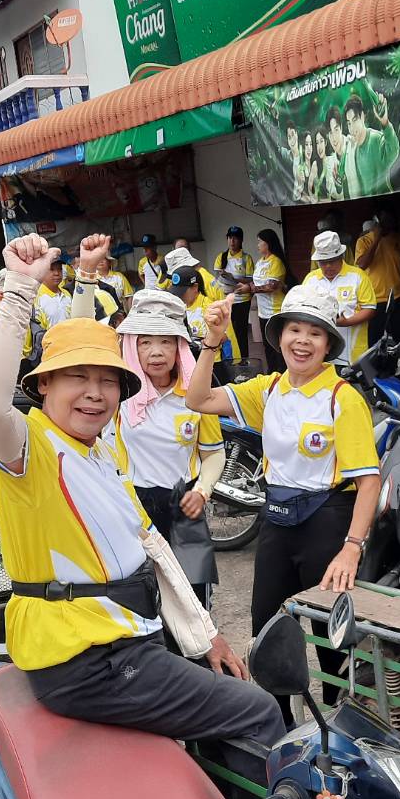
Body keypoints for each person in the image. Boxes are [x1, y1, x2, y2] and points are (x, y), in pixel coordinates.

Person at [0, 232, 283, 746]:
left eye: (107, 381)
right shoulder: (30, 447)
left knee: (215, 691)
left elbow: (151, 547)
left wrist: (206, 636)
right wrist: (23, 291)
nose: (94, 393)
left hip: (136, 615)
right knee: (260, 711)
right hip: (87, 653)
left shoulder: (104, 449)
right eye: (77, 379)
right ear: (43, 385)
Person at [186, 286, 381, 714]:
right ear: (281, 336)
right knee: (269, 628)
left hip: (327, 520)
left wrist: (351, 548)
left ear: (329, 343)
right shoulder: (269, 389)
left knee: (333, 631)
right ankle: (279, 720)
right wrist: (212, 341)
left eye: (315, 333)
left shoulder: (341, 398)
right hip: (277, 519)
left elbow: (369, 481)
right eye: (294, 329)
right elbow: (197, 399)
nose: (302, 341)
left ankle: (340, 715)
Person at [112, 289, 225, 604]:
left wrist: (202, 491)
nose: (156, 352)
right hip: (135, 507)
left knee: (193, 601)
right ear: (133, 347)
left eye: (166, 341)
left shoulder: (198, 395)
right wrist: (87, 279)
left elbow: (214, 453)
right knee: (143, 600)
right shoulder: (119, 394)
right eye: (146, 342)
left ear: (179, 347)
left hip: (184, 505)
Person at [300, 231, 376, 365]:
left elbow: (369, 309)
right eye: (323, 263)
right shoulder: (311, 279)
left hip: (351, 354)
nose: (328, 266)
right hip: (319, 356)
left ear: (341, 256)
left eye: (332, 261)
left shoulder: (358, 276)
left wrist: (347, 322)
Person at [357, 208, 400, 345]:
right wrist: (377, 239)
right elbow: (362, 264)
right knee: (374, 340)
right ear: (376, 222)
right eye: (384, 222)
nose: (387, 225)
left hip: (399, 295)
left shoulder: (399, 239)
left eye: (390, 221)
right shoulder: (364, 241)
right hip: (376, 299)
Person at [342, 91, 400, 198]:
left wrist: (384, 122)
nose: (352, 128)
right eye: (349, 123)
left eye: (354, 120)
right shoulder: (353, 152)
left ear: (363, 117)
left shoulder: (375, 139)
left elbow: (394, 151)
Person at [252, 229, 293, 374]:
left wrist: (250, 289)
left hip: (276, 311)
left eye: (259, 241)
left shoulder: (276, 262)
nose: (257, 244)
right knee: (267, 346)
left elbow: (272, 287)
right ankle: (272, 374)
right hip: (263, 312)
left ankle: (284, 373)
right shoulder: (259, 263)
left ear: (268, 243)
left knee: (279, 346)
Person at [212, 226, 254, 359]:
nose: (232, 241)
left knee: (241, 332)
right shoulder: (221, 257)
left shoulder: (246, 258)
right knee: (228, 331)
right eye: (230, 238)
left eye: (235, 238)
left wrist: (233, 277)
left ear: (241, 240)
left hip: (242, 300)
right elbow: (217, 276)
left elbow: (250, 279)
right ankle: (231, 359)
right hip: (226, 299)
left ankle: (244, 359)